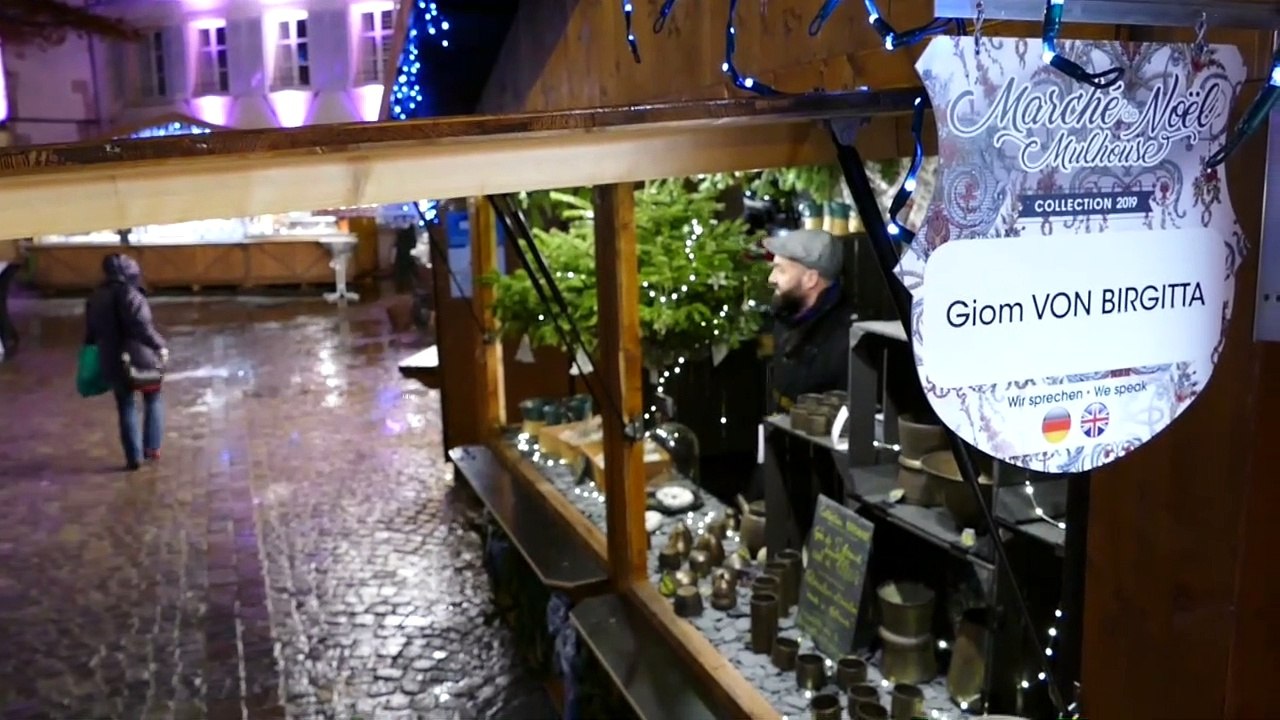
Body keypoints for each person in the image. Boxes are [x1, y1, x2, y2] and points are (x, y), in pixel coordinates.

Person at [84, 254, 168, 471]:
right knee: (153, 398)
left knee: (125, 406)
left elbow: (91, 333)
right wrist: (160, 345)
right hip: (142, 359)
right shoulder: (131, 294)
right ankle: (152, 448)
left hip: (112, 360)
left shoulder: (95, 297)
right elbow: (142, 327)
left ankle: (133, 458)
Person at [762, 228, 855, 411]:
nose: (771, 278)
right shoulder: (787, 316)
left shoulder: (847, 342)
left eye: (780, 271)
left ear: (810, 279)